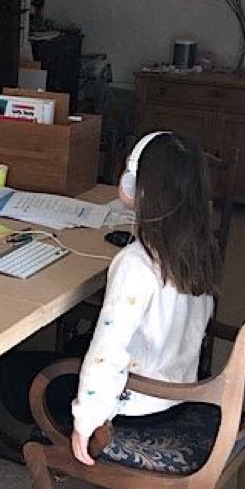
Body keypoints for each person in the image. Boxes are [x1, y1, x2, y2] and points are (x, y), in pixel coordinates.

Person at [65, 131, 222, 464]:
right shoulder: (202, 246)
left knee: (15, 376)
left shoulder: (136, 263)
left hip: (135, 406)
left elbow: (107, 352)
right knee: (72, 347)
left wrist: (86, 421)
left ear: (142, 189)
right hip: (178, 391)